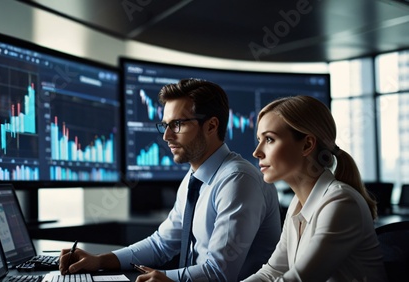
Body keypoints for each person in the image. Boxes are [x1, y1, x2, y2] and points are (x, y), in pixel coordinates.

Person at [59, 78, 282, 281]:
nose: (166, 136)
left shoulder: (238, 180)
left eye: (178, 124)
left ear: (211, 126)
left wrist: (163, 278)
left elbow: (218, 272)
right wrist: (100, 260)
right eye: (166, 125)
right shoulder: (193, 178)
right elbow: (161, 244)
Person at [241, 95, 388, 281]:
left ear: (307, 145)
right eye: (259, 139)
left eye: (269, 139)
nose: (257, 152)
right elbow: (272, 272)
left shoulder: (342, 203)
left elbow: (299, 279)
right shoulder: (298, 203)